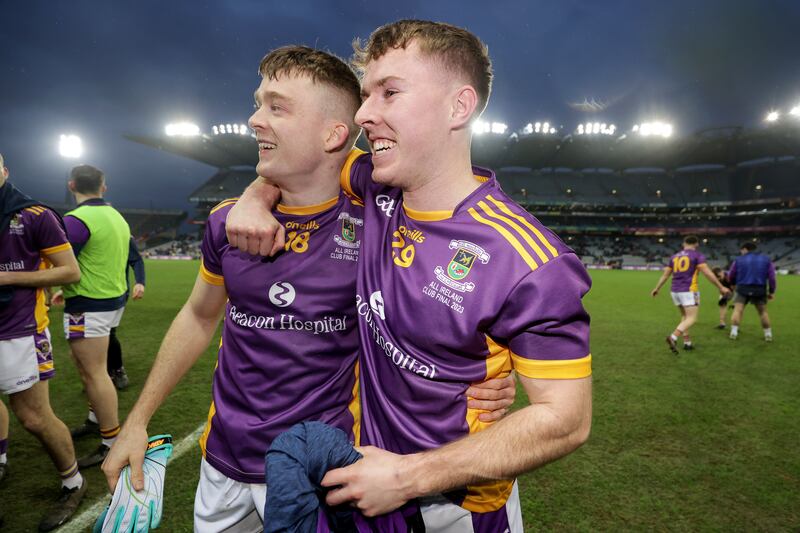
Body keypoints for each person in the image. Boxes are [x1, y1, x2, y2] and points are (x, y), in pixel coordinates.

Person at [102, 46, 513, 532]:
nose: (255, 119)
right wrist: (137, 420)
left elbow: (466, 280)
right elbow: (198, 316)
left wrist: (487, 376)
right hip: (223, 460)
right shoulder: (225, 223)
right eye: (257, 103)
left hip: (326, 466)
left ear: (334, 134)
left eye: (277, 107)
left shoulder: (383, 225)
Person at [228, 20, 594, 531]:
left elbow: (566, 421)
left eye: (390, 93)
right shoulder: (373, 186)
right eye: (365, 94)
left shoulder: (529, 260)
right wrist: (255, 197)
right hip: (366, 481)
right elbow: (295, 159)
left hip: (457, 508)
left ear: (458, 107)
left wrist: (408, 477)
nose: (363, 113)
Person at [0, 152, 88, 531]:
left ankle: (73, 482)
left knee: (34, 416)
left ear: (3, 170)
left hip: (19, 330)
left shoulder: (34, 215)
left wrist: (6, 279)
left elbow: (71, 272)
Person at [61, 164, 132, 468]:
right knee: (91, 368)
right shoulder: (116, 215)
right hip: (112, 299)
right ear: (104, 187)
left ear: (71, 184)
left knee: (94, 372)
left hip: (89, 304)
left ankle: (111, 441)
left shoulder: (76, 219)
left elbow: (64, 262)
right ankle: (95, 418)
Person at [651, 235, 730, 353]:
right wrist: (721, 286)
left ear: (684, 244)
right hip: (689, 291)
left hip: (675, 291)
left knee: (684, 317)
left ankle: (687, 342)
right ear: (696, 244)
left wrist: (657, 288)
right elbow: (708, 273)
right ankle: (673, 337)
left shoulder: (674, 257)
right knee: (692, 318)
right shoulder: (697, 255)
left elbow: (666, 275)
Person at [728, 242, 776, 341]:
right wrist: (771, 291)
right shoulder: (766, 259)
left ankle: (733, 332)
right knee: (762, 312)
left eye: (741, 250)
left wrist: (732, 284)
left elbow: (731, 274)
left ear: (745, 249)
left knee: (737, 310)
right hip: (759, 289)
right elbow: (772, 277)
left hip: (742, 288)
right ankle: (768, 335)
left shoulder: (738, 260)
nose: (741, 253)